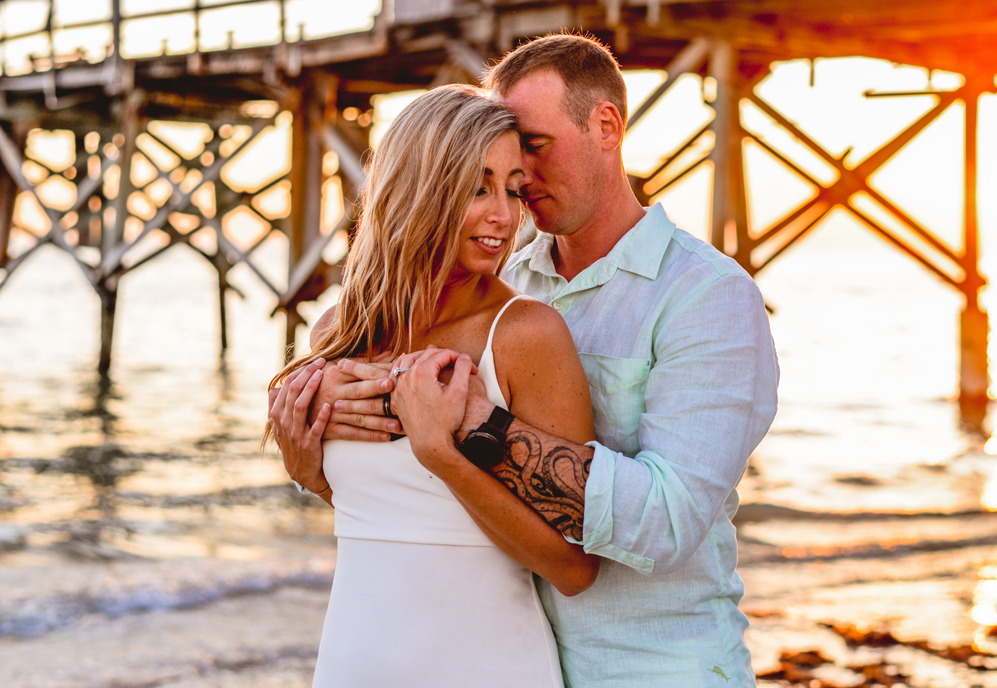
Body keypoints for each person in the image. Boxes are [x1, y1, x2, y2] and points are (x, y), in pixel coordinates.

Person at [288, 33, 779, 687]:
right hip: (505, 649)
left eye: (533, 151)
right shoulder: (504, 276)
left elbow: (666, 521)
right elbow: (409, 504)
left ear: (607, 124)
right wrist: (308, 442)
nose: (514, 196)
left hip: (651, 669)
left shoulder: (707, 297)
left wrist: (475, 429)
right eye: (492, 174)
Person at [266, 84, 598, 687]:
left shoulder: (524, 334)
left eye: (513, 188)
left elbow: (574, 567)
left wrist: (442, 455)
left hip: (486, 666)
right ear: (421, 187)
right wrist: (308, 471)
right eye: (478, 188)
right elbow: (385, 514)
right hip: (354, 661)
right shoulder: (339, 332)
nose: (505, 214)